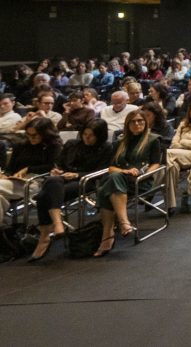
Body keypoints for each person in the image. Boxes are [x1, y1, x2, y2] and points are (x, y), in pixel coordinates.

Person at [29, 119, 113, 261]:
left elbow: (103, 171)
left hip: (86, 181)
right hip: (62, 180)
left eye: (91, 135)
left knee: (44, 196)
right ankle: (56, 223)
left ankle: (45, 236)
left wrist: (77, 175)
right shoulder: (71, 144)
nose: (87, 137)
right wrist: (57, 171)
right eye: (85, 134)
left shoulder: (106, 147)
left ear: (99, 135)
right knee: (53, 180)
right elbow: (60, 164)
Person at [94, 109, 163, 257]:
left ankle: (108, 235)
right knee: (113, 179)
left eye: (140, 121)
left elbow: (156, 164)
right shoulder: (119, 142)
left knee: (105, 189)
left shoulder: (153, 140)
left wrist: (143, 174)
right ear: (127, 124)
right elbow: (111, 167)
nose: (137, 124)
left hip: (140, 181)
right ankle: (123, 223)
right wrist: (124, 171)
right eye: (133, 122)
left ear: (145, 123)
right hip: (121, 178)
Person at [0, 117, 62, 227]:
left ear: (45, 134)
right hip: (14, 180)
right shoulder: (21, 145)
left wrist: (29, 169)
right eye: (28, 135)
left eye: (34, 135)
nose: (30, 138)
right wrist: (6, 175)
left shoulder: (53, 146)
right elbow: (10, 167)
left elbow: (52, 166)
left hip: (35, 181)